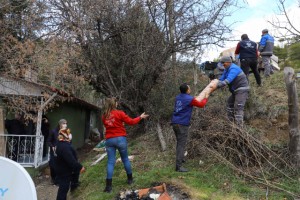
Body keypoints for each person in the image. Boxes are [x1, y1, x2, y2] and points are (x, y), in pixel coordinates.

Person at [102, 97, 149, 193]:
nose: (117, 104)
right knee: (125, 159)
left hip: (109, 140)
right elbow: (131, 122)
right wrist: (140, 117)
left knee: (110, 162)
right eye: (116, 103)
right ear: (113, 104)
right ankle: (130, 180)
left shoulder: (104, 116)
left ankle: (108, 187)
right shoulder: (120, 113)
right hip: (120, 139)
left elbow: (108, 125)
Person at [171, 83, 209, 172]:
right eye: (189, 88)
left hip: (174, 123)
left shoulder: (178, 97)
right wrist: (206, 97)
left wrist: (195, 97)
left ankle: (181, 159)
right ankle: (178, 166)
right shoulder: (189, 99)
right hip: (182, 124)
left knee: (179, 143)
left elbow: (190, 99)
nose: (190, 89)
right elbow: (201, 105)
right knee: (181, 144)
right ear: (187, 90)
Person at [55, 120, 85, 200]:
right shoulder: (64, 147)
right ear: (65, 136)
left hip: (62, 168)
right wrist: (80, 167)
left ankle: (74, 187)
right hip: (64, 170)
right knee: (63, 188)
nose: (70, 135)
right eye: (68, 133)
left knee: (64, 187)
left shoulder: (62, 144)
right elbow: (71, 160)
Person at [216, 56, 250, 127]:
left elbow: (227, 80)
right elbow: (222, 79)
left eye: (223, 63)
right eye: (221, 63)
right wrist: (215, 82)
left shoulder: (234, 69)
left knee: (238, 107)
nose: (222, 64)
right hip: (236, 91)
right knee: (229, 103)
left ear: (228, 62)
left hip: (242, 90)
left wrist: (216, 86)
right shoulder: (227, 69)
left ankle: (239, 127)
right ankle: (231, 122)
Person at [47, 119, 64, 185]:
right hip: (53, 152)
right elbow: (48, 141)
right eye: (64, 124)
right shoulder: (53, 131)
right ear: (60, 124)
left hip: (61, 151)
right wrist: (52, 146)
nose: (65, 125)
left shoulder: (65, 132)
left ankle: (58, 180)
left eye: (66, 124)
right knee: (53, 165)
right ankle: (53, 178)